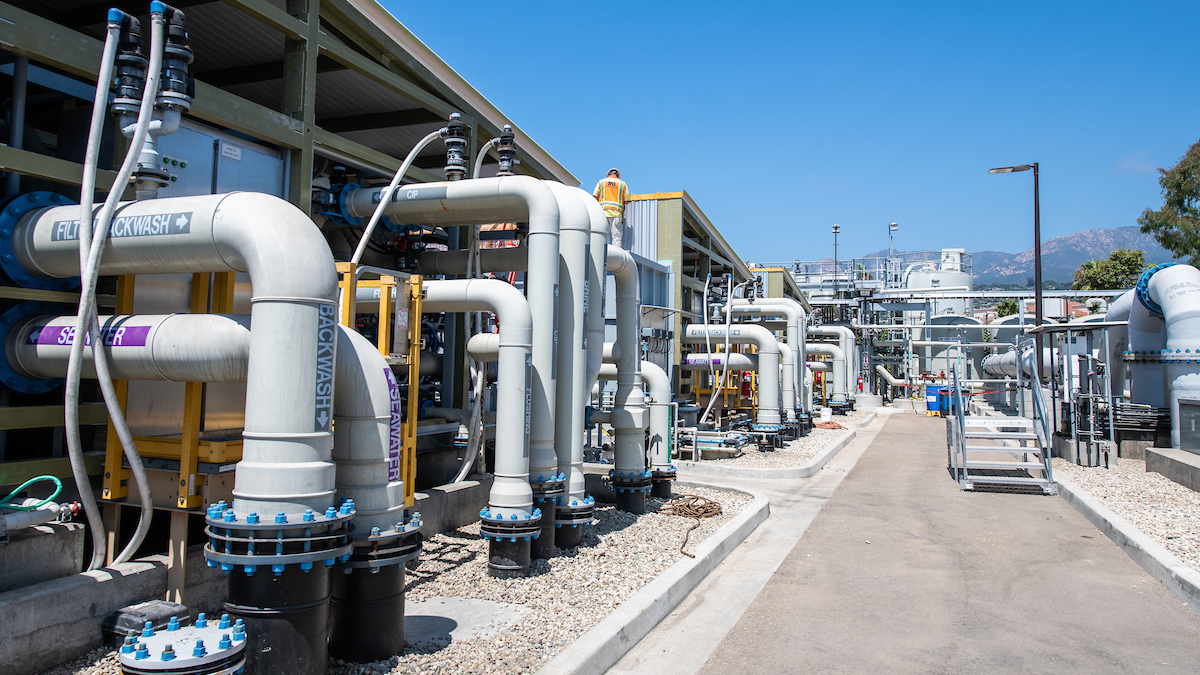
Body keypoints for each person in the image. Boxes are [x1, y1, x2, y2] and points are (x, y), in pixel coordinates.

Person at [593, 167, 631, 248]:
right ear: (618, 175)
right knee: (616, 239)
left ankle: (602, 256)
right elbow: (627, 201)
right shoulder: (622, 184)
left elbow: (595, 196)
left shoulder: (601, 182)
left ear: (608, 175)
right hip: (616, 214)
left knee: (603, 237)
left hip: (602, 214)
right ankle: (616, 259)